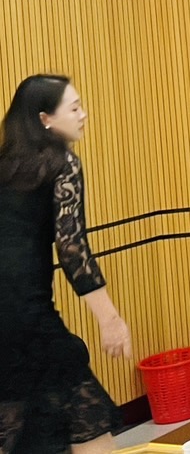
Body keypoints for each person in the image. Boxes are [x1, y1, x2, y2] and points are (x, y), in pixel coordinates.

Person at [0, 75, 129, 454]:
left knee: (20, 424)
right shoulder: (62, 164)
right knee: (87, 419)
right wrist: (110, 320)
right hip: (30, 318)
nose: (83, 114)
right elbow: (73, 249)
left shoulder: (4, 167)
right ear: (45, 119)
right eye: (73, 108)